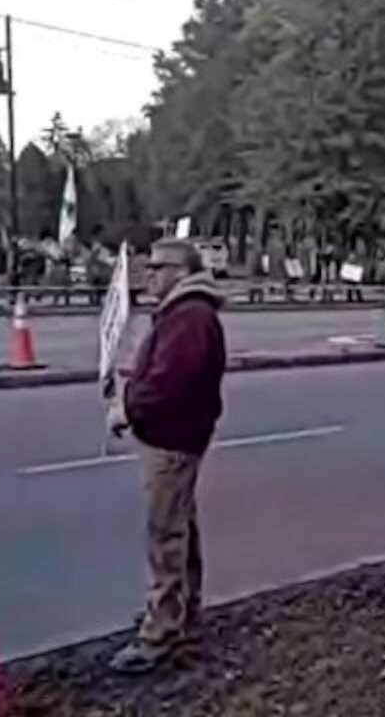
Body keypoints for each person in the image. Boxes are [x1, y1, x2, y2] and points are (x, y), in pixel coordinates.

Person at [107, 239, 227, 674]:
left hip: (172, 441)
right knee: (180, 529)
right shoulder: (185, 312)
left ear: (181, 270)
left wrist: (128, 408)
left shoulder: (190, 316)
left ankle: (161, 634)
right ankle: (181, 615)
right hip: (175, 437)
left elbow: (168, 383)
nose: (149, 273)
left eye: (158, 266)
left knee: (165, 537)